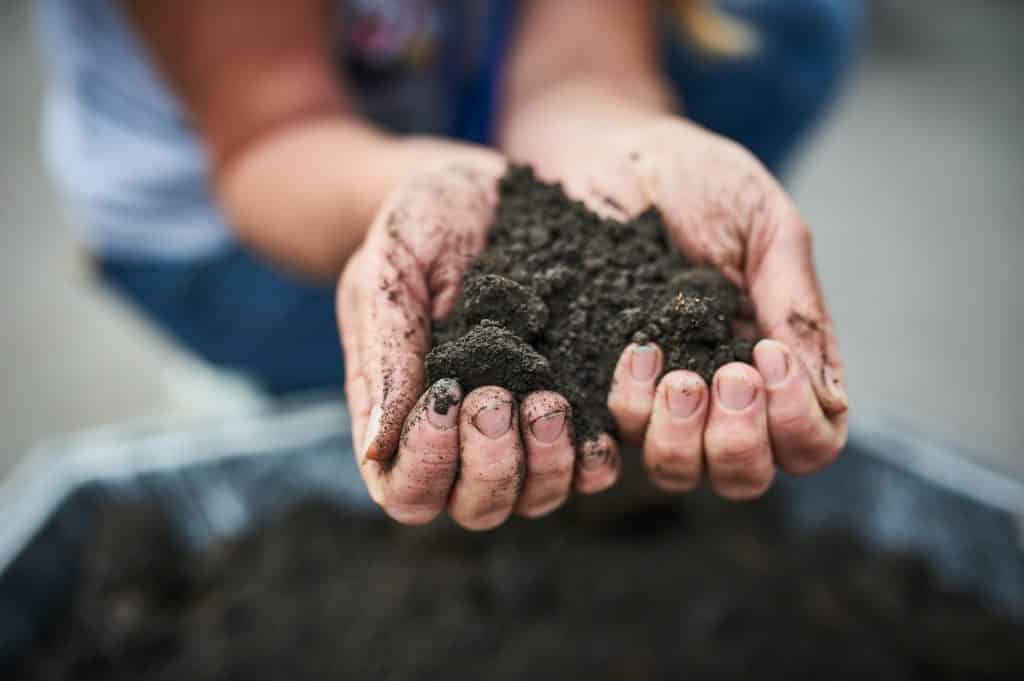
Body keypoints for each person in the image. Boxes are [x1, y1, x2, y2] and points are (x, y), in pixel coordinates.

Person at [37, 0, 861, 529]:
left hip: (465, 104)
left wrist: (610, 137)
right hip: (238, 213)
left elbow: (579, 68)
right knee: (395, 398)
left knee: (792, 18)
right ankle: (282, 372)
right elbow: (272, 135)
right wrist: (417, 190)